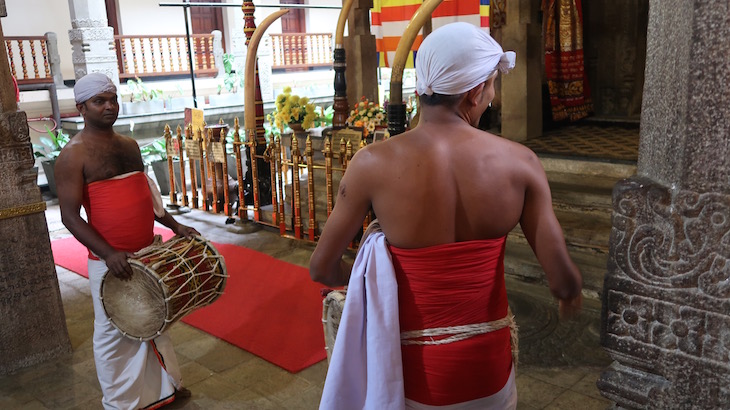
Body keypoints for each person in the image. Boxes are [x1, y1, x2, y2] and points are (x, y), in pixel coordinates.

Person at [310, 22, 583, 409]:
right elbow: (563, 279)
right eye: (491, 86)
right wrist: (569, 295)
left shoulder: (371, 164)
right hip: (486, 371)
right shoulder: (520, 163)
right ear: (473, 92)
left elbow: (322, 268)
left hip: (407, 373)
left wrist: (373, 281)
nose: (491, 97)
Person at [55, 72, 196, 409]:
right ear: (81, 108)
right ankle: (121, 404)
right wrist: (108, 254)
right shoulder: (73, 155)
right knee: (112, 333)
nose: (109, 107)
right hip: (110, 263)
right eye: (99, 101)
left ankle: (167, 388)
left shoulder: (129, 146)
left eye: (112, 99)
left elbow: (147, 196)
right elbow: (70, 217)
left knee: (155, 320)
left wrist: (176, 226)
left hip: (147, 252)